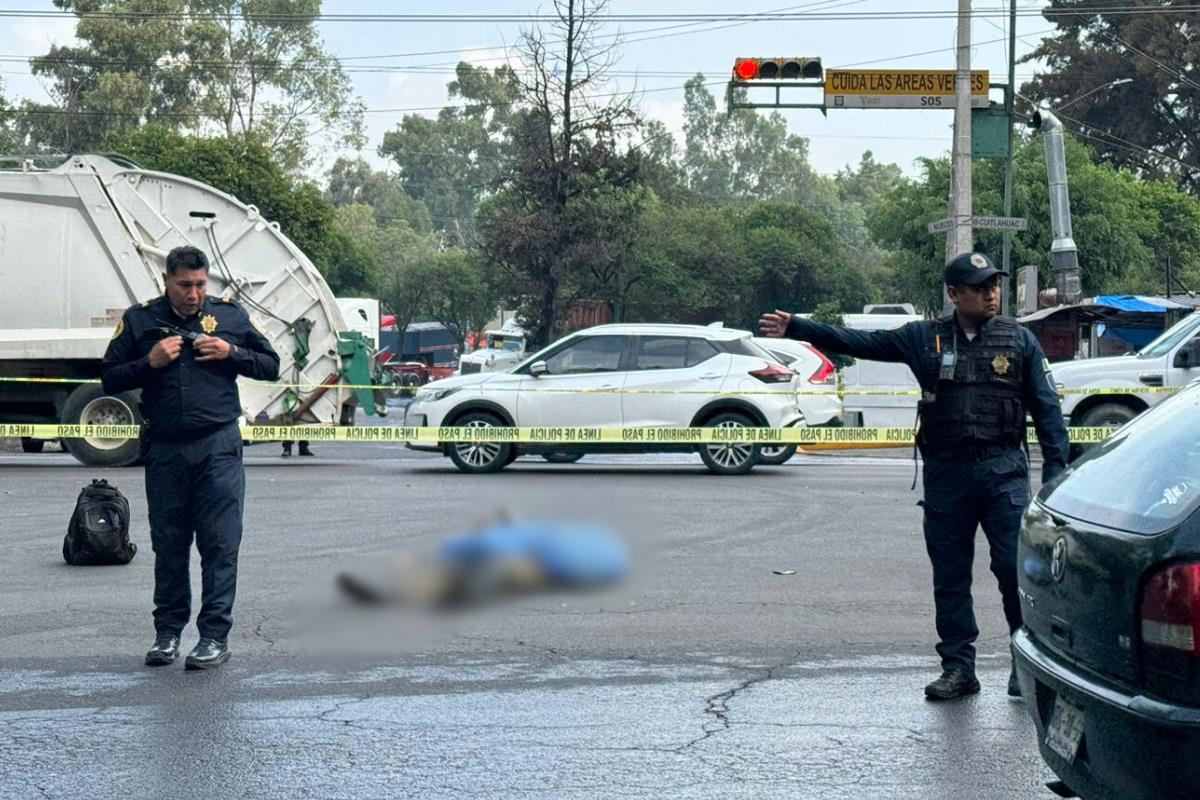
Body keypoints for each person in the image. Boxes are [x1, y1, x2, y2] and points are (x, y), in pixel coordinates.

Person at [760, 251, 1069, 701]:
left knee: (1010, 570)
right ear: (953, 293)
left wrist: (1055, 478)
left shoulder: (1019, 340)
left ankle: (1023, 666)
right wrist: (798, 328)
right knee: (950, 576)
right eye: (980, 287)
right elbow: (855, 342)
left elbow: (1048, 412)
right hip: (947, 475)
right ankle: (959, 669)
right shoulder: (923, 338)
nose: (991, 293)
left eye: (993, 285)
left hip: (1003, 472)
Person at [102, 245, 280, 670]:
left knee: (220, 545)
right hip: (165, 448)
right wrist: (149, 361)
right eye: (185, 285)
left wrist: (231, 353)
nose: (194, 294)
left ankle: (214, 637)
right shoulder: (140, 319)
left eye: (201, 284)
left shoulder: (231, 317)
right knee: (170, 545)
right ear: (167, 281)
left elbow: (272, 365)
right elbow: (109, 377)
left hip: (218, 445)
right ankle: (167, 635)